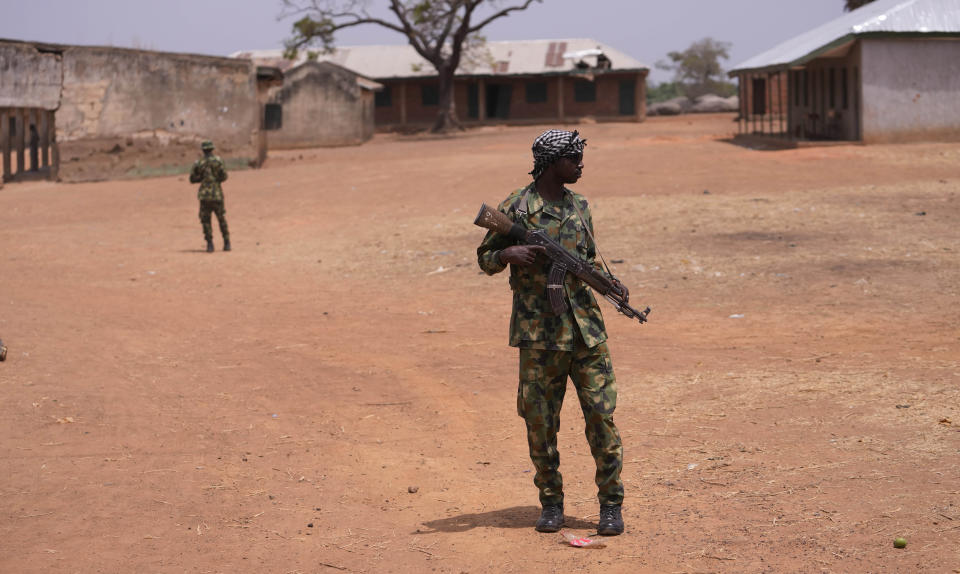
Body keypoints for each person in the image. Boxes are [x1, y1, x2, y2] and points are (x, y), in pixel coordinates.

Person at [476, 129, 626, 536]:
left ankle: (611, 505)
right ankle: (551, 503)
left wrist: (611, 286)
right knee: (541, 421)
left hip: (586, 333)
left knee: (601, 416)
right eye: (573, 158)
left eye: (580, 157)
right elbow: (485, 258)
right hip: (539, 336)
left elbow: (588, 262)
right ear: (551, 162)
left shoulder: (580, 207)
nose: (580, 165)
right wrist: (509, 253)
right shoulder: (517, 207)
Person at [189, 140, 230, 253]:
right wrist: (215, 180)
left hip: (204, 196)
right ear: (212, 149)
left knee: (206, 221)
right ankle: (227, 242)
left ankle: (210, 244)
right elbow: (224, 176)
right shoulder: (218, 161)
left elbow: (192, 179)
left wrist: (202, 179)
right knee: (221, 218)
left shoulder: (199, 163)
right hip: (217, 194)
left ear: (203, 150)